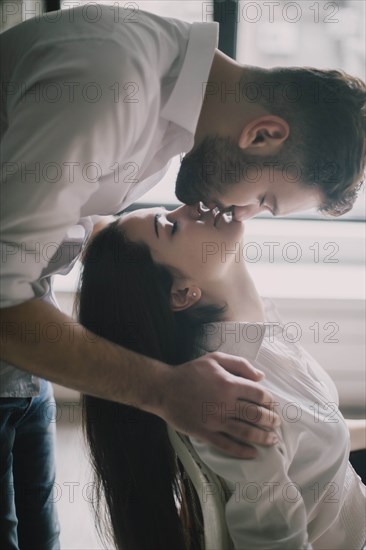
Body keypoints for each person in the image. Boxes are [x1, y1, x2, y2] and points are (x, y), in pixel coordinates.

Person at [0, 4, 365, 547]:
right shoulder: (110, 90)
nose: (244, 214)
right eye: (264, 199)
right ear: (263, 134)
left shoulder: (171, 112)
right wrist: (165, 389)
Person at [78, 204, 366, 550]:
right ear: (182, 293)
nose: (190, 208)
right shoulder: (230, 397)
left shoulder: (253, 332)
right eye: (170, 226)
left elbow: (310, 441)